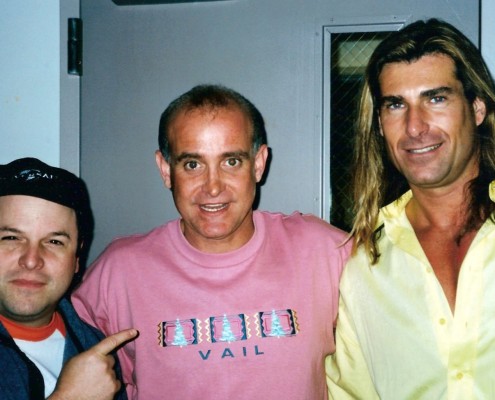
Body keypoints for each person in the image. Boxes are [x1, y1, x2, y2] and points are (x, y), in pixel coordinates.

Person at [72, 84, 351, 399]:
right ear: (166, 170)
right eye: (193, 164)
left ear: (258, 164)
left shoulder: (324, 252)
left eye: (231, 162)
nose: (213, 187)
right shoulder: (119, 272)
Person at [326, 18, 495, 399]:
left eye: (436, 98)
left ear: (477, 107)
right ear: (381, 126)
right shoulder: (362, 266)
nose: (415, 126)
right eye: (396, 105)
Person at [0, 157, 138, 400]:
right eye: (11, 238)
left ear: (76, 259)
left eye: (54, 242)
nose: (31, 260)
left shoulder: (99, 349)